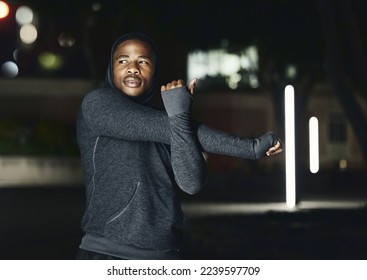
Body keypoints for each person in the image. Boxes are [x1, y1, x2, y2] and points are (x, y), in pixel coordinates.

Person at [75, 32, 282, 260]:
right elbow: (159, 127)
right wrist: (249, 148)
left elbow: (191, 183)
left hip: (166, 256)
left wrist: (178, 116)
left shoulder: (173, 120)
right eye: (122, 60)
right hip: (107, 254)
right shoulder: (97, 104)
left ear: (155, 71)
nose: (132, 68)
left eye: (143, 61)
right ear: (111, 68)